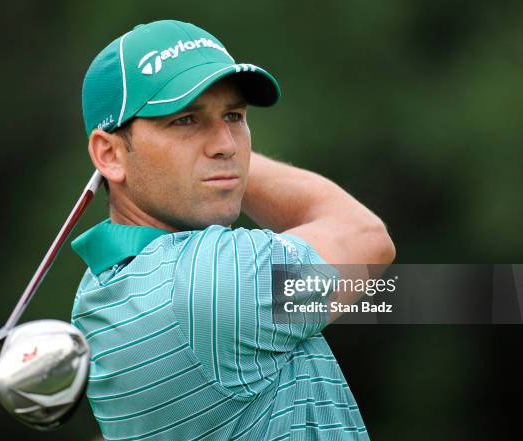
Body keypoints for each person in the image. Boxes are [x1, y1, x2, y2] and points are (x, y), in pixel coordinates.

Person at [71, 19, 395, 441]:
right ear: (109, 154)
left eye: (234, 115)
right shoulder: (212, 284)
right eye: (186, 120)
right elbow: (366, 239)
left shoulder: (96, 293)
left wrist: (213, 162)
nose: (226, 142)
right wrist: (228, 164)